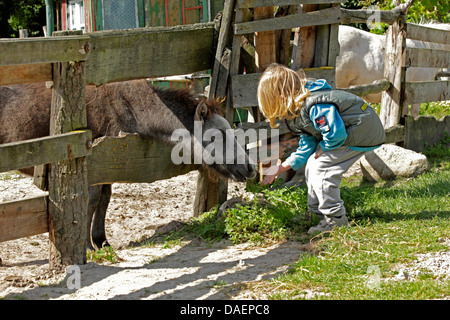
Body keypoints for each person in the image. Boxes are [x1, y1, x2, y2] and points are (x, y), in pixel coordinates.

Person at [257, 63, 385, 235]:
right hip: (350, 132)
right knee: (312, 163)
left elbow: (336, 133)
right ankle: (316, 214)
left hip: (361, 130)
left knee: (322, 168)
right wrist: (281, 168)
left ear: (280, 95)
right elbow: (306, 146)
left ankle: (335, 220)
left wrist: (324, 147)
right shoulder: (300, 109)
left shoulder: (315, 104)